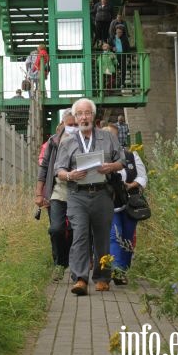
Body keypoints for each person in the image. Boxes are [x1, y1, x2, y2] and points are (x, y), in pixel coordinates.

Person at [54, 98, 125, 296]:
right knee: (80, 235)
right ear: (75, 118)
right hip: (77, 194)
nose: (84, 117)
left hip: (102, 192)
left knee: (103, 237)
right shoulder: (67, 142)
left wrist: (110, 167)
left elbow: (121, 160)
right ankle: (80, 279)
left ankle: (102, 277)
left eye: (87, 113)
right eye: (80, 114)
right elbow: (58, 169)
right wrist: (70, 175)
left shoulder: (107, 137)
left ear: (93, 116)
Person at [35, 110, 79, 281]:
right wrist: (39, 193)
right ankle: (60, 262)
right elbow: (44, 167)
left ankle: (70, 264)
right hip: (58, 191)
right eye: (70, 125)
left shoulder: (86, 141)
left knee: (76, 230)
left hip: (79, 191)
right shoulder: (53, 142)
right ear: (62, 124)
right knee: (56, 229)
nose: (73, 128)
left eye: (76, 125)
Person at [105, 123, 148, 285]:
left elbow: (143, 177)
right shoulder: (101, 158)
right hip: (111, 203)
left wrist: (132, 185)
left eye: (113, 136)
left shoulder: (131, 155)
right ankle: (117, 270)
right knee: (115, 235)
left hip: (130, 203)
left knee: (128, 237)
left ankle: (124, 268)